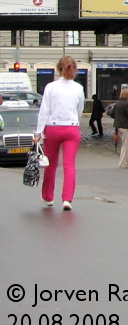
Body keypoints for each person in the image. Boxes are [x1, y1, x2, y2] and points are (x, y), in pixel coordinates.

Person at [33, 55, 85, 211]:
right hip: (71, 128)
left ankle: (48, 197)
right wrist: (75, 122)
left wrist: (38, 132)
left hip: (53, 128)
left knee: (50, 164)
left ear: (58, 69)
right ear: (74, 69)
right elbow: (79, 110)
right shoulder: (78, 88)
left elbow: (44, 111)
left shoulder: (51, 87)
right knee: (69, 165)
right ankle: (67, 199)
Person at [111, 87, 128, 169]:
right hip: (125, 126)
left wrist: (117, 118)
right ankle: (124, 163)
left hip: (118, 125)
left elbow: (111, 113)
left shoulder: (117, 103)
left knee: (123, 144)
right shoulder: (127, 104)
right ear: (127, 96)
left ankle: (123, 163)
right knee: (125, 145)